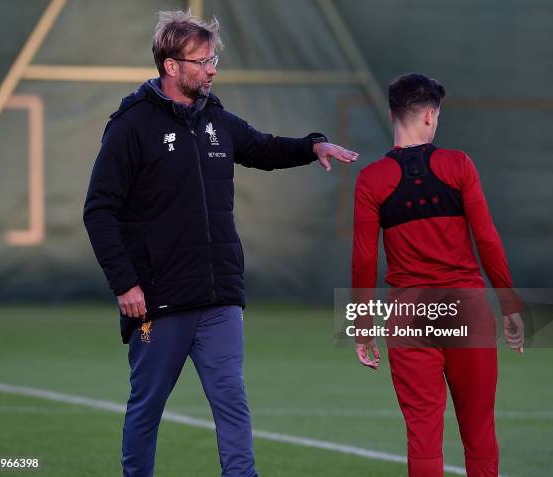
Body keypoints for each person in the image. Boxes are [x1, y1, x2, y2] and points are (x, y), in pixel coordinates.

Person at [83, 10, 358, 477]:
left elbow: (264, 148)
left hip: (219, 299)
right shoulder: (131, 125)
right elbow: (98, 210)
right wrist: (125, 283)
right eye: (203, 59)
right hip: (157, 303)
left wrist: (312, 146)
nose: (212, 68)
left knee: (232, 403)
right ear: (171, 66)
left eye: (214, 59)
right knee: (146, 409)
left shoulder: (217, 120)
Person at [351, 73, 524, 477]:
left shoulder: (371, 179)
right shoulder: (458, 165)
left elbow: (362, 261)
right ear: (430, 115)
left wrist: (361, 326)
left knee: (423, 434)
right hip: (468, 310)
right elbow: (488, 241)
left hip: (409, 316)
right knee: (479, 431)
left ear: (392, 113)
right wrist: (510, 305)